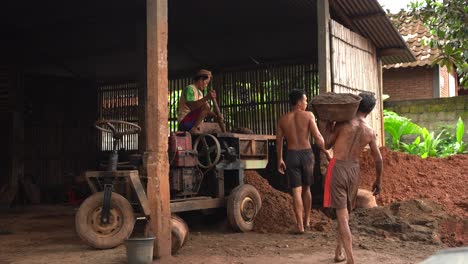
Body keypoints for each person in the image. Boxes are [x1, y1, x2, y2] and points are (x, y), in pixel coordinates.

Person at [319, 92, 383, 264]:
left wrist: (328, 126)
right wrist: (378, 181)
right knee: (344, 213)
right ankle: (338, 252)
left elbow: (326, 144)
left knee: (342, 217)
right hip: (354, 171)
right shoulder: (370, 131)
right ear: (369, 112)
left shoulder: (343, 123)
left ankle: (351, 259)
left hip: (338, 168)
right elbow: (379, 159)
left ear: (355, 105)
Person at [276, 89, 331, 234]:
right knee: (307, 188)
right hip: (307, 155)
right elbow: (318, 137)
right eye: (305, 100)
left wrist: (279, 159)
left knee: (296, 191)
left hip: (291, 155)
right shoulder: (308, 116)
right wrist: (326, 152)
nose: (306, 103)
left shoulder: (283, 119)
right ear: (299, 102)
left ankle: (299, 225)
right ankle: (307, 221)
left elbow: (279, 142)